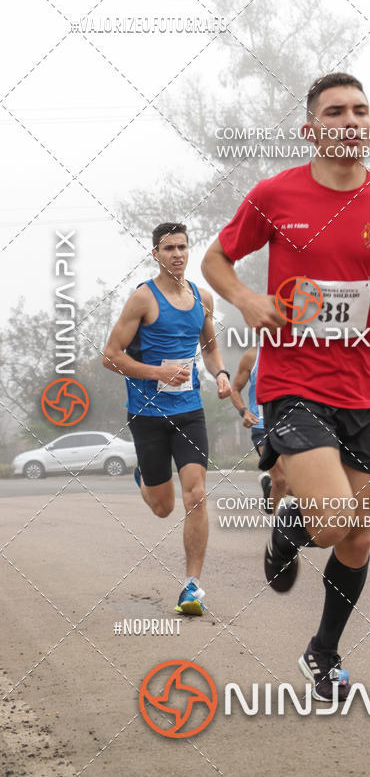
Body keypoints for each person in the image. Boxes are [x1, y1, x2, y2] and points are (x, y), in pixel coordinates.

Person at [201, 73, 370, 699]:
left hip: (364, 392)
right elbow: (215, 260)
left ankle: (322, 651)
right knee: (335, 519)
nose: (350, 120)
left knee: (359, 536)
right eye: (334, 111)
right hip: (292, 382)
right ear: (311, 129)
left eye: (361, 111)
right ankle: (291, 525)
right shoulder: (274, 195)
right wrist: (246, 299)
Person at [103, 222, 231, 616]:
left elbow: (208, 347)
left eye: (183, 247)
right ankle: (144, 475)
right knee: (163, 507)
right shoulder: (143, 298)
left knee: (196, 495)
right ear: (155, 253)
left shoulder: (201, 297)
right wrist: (157, 372)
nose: (177, 253)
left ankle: (192, 586)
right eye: (169, 247)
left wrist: (221, 372)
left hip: (189, 412)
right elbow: (110, 355)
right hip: (147, 415)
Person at [230, 345, 289, 513]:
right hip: (262, 424)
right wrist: (244, 411)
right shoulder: (252, 356)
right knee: (282, 479)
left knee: (296, 482)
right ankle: (281, 529)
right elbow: (235, 390)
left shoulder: (298, 352)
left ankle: (269, 487)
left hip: (291, 423)